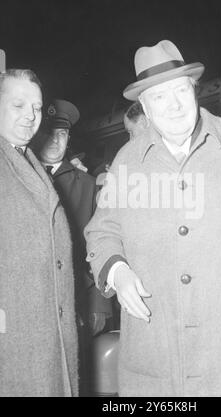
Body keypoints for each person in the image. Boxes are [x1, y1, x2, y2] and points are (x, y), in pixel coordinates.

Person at [85, 40, 221, 397]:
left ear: (194, 91)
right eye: (159, 97)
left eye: (180, 90)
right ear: (145, 109)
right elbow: (101, 232)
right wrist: (117, 271)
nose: (173, 105)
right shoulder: (127, 161)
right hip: (157, 357)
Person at [0, 70, 78, 396]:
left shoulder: (27, 159)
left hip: (46, 332)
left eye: (36, 107)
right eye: (19, 105)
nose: (31, 116)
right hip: (15, 334)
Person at [32, 99, 112, 395]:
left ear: (69, 139)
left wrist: (100, 307)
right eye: (48, 132)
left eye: (62, 134)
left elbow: (102, 242)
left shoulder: (87, 185)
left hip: (80, 302)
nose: (54, 140)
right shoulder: (18, 179)